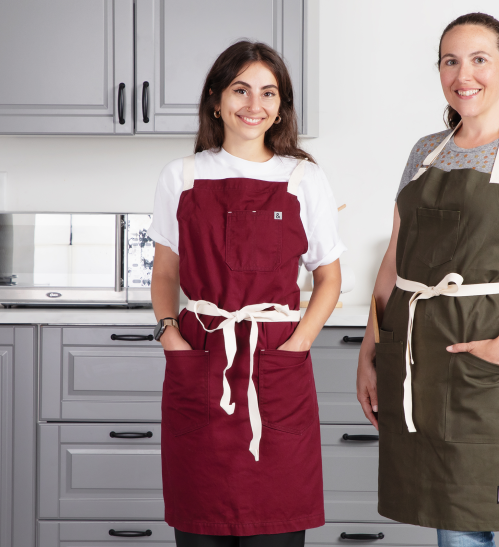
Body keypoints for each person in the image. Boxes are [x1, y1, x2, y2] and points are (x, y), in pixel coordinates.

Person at [355, 12, 499, 547]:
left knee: (470, 525)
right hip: (419, 361)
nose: (465, 74)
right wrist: (371, 350)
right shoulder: (424, 151)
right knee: (452, 525)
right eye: (451, 61)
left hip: (492, 363)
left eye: (480, 59)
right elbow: (394, 263)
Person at [149, 41, 345, 547]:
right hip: (203, 349)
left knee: (276, 526)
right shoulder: (182, 175)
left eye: (268, 92)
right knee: (200, 526)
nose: (253, 105)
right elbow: (166, 272)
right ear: (216, 98)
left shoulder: (304, 177)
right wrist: (170, 334)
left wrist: (298, 344)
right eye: (240, 89)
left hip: (275, 359)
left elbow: (329, 276)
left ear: (281, 107)